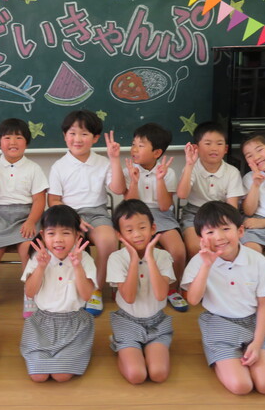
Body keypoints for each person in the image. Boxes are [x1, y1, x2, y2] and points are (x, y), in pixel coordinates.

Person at [181, 201, 265, 395]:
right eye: (210, 232)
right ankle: (217, 355)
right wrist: (206, 265)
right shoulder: (199, 261)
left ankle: (239, 353)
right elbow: (192, 300)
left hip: (252, 323)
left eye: (225, 229)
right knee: (241, 386)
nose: (219, 237)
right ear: (201, 238)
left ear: (240, 231)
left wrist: (257, 343)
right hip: (219, 322)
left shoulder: (257, 260)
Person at [48, 109, 126, 316]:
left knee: (108, 241)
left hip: (97, 213)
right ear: (65, 136)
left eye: (84, 134)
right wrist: (74, 219)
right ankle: (69, 286)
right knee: (65, 243)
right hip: (68, 215)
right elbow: (53, 201)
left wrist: (115, 159)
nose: (77, 139)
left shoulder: (103, 162)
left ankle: (96, 290)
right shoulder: (59, 166)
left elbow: (118, 189)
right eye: (72, 133)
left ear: (95, 138)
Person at [0, 118, 48, 318]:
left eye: (19, 137)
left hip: (26, 216)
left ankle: (30, 293)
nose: (13, 142)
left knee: (28, 250)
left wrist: (31, 221)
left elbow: (39, 200)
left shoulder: (33, 168)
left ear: (27, 142)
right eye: (7, 137)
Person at [20, 205, 97, 382]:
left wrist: (77, 267)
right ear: (42, 236)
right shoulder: (38, 258)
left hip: (75, 324)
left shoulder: (85, 259)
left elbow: (87, 296)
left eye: (66, 233)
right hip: (41, 323)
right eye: (51, 233)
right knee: (38, 376)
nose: (58, 240)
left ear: (78, 236)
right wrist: (41, 267)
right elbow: (30, 292)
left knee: (61, 375)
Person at [107, 199, 174, 384]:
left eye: (142, 228)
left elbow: (161, 295)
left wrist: (150, 257)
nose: (137, 234)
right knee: (137, 375)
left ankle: (139, 349)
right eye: (129, 230)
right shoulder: (116, 258)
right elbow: (128, 298)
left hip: (157, 322)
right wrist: (134, 260)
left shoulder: (163, 256)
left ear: (153, 228)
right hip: (127, 322)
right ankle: (121, 344)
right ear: (119, 235)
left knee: (158, 374)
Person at [124, 123, 187, 312]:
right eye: (133, 144)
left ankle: (172, 289)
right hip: (135, 213)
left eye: (141, 145)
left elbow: (165, 206)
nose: (134, 149)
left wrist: (160, 179)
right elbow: (129, 204)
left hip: (161, 215)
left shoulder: (168, 172)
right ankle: (129, 287)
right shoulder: (128, 170)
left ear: (157, 152)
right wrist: (134, 181)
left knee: (178, 251)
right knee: (132, 250)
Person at [177, 121, 245, 260]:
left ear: (226, 149)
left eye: (219, 144)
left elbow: (232, 207)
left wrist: (227, 226)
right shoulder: (192, 168)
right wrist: (189, 165)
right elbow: (182, 195)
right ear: (196, 148)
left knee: (228, 247)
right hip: (194, 213)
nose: (214, 148)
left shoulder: (232, 172)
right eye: (208, 143)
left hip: (223, 214)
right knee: (195, 248)